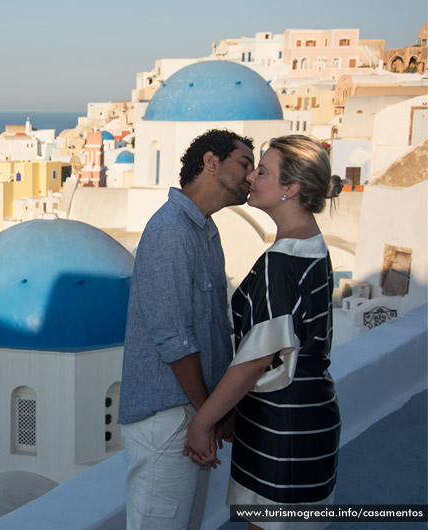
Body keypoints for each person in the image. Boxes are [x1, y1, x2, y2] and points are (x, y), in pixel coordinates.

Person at [185, 135, 343, 530]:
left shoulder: (281, 263)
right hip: (311, 416)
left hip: (283, 427)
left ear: (290, 189)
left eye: (263, 171)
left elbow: (255, 359)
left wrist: (204, 421)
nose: (251, 177)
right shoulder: (314, 247)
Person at [118, 129, 255, 530]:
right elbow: (173, 339)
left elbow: (215, 328)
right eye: (244, 164)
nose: (250, 176)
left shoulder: (204, 231)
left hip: (192, 412)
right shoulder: (170, 231)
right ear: (211, 162)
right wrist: (206, 413)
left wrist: (218, 409)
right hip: (170, 417)